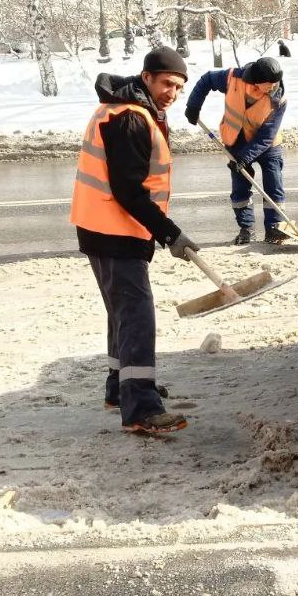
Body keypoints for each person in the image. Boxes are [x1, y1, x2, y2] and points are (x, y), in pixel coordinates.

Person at [71, 47, 197, 436]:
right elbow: (128, 190)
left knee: (122, 313)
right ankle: (141, 408)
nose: (172, 93)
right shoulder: (129, 119)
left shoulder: (127, 110)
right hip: (114, 230)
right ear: (146, 78)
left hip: (103, 227)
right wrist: (169, 233)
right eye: (166, 84)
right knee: (138, 316)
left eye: (178, 87)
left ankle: (120, 389)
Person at [183, 56, 290, 245]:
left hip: (267, 145)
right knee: (240, 188)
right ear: (257, 80)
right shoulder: (232, 78)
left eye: (275, 82)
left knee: (273, 185)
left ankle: (274, 228)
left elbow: (266, 136)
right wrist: (193, 105)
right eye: (269, 83)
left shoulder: (278, 98)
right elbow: (207, 80)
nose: (273, 86)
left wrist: (245, 158)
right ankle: (247, 229)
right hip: (236, 139)